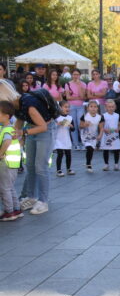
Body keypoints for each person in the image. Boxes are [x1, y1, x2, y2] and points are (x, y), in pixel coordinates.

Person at [0, 80, 54, 215]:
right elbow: (18, 122)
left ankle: (43, 201)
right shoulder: (15, 105)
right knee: (30, 165)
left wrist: (22, 133)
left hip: (45, 131)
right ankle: (31, 197)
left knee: (40, 167)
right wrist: (13, 137)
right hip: (31, 129)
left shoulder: (28, 104)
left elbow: (43, 126)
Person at [0, 101, 22, 221]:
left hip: (6, 163)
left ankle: (9, 211)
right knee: (10, 187)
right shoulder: (8, 127)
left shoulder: (7, 129)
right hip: (12, 163)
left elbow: (7, 141)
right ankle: (16, 209)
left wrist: (0, 153)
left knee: (4, 188)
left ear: (7, 116)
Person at [64, 68, 86, 151]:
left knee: (81, 125)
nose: (75, 76)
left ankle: (84, 143)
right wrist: (77, 97)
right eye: (74, 74)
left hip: (80, 106)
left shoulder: (83, 84)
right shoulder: (68, 84)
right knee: (74, 125)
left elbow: (83, 96)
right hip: (71, 106)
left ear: (80, 75)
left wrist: (79, 85)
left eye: (77, 74)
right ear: (71, 75)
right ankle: (76, 144)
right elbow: (68, 97)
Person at [79, 100, 103, 172]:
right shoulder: (84, 116)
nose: (93, 108)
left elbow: (101, 128)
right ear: (88, 108)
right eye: (91, 106)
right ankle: (89, 164)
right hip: (85, 135)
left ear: (97, 108)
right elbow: (80, 126)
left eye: (95, 107)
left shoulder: (99, 117)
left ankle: (88, 162)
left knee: (91, 149)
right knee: (89, 148)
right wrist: (84, 125)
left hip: (94, 136)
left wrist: (100, 135)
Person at [53, 100, 74, 177]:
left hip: (67, 139)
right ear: (60, 108)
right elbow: (53, 127)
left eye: (68, 107)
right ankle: (59, 169)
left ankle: (69, 168)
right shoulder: (57, 118)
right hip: (58, 139)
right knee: (60, 154)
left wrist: (71, 126)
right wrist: (57, 124)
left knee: (68, 154)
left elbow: (73, 129)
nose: (67, 108)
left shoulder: (70, 118)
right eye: (65, 107)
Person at [100, 100, 120, 171]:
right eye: (109, 107)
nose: (111, 108)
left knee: (116, 150)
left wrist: (118, 129)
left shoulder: (117, 115)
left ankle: (116, 164)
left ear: (115, 107)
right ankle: (106, 164)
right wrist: (105, 130)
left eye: (112, 107)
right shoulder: (103, 116)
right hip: (106, 135)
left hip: (115, 135)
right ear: (106, 107)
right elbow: (101, 126)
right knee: (106, 150)